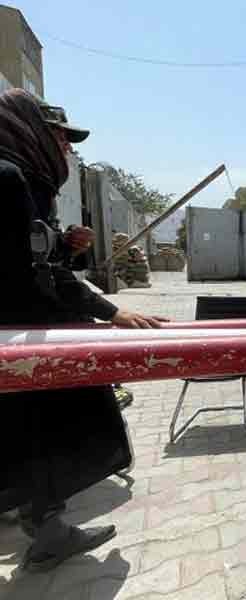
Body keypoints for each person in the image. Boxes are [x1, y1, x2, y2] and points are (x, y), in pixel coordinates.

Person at [0, 89, 165, 572]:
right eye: (59, 137)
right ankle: (47, 530)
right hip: (28, 336)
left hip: (20, 329)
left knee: (24, 429)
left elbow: (30, 258)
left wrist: (65, 247)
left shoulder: (27, 180)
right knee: (54, 426)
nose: (67, 149)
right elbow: (34, 276)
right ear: (29, 129)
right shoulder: (9, 178)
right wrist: (109, 312)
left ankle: (32, 515)